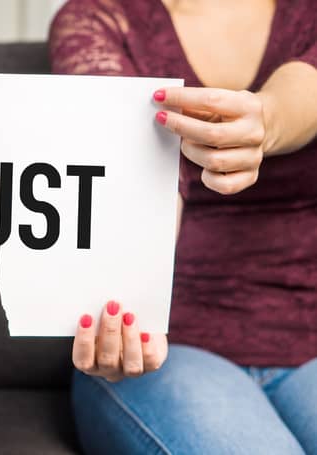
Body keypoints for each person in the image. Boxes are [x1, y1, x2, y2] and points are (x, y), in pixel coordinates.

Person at [50, 0, 317, 453]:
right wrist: (136, 297)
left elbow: (306, 86)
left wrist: (266, 120)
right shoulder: (97, 19)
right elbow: (131, 174)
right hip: (171, 348)